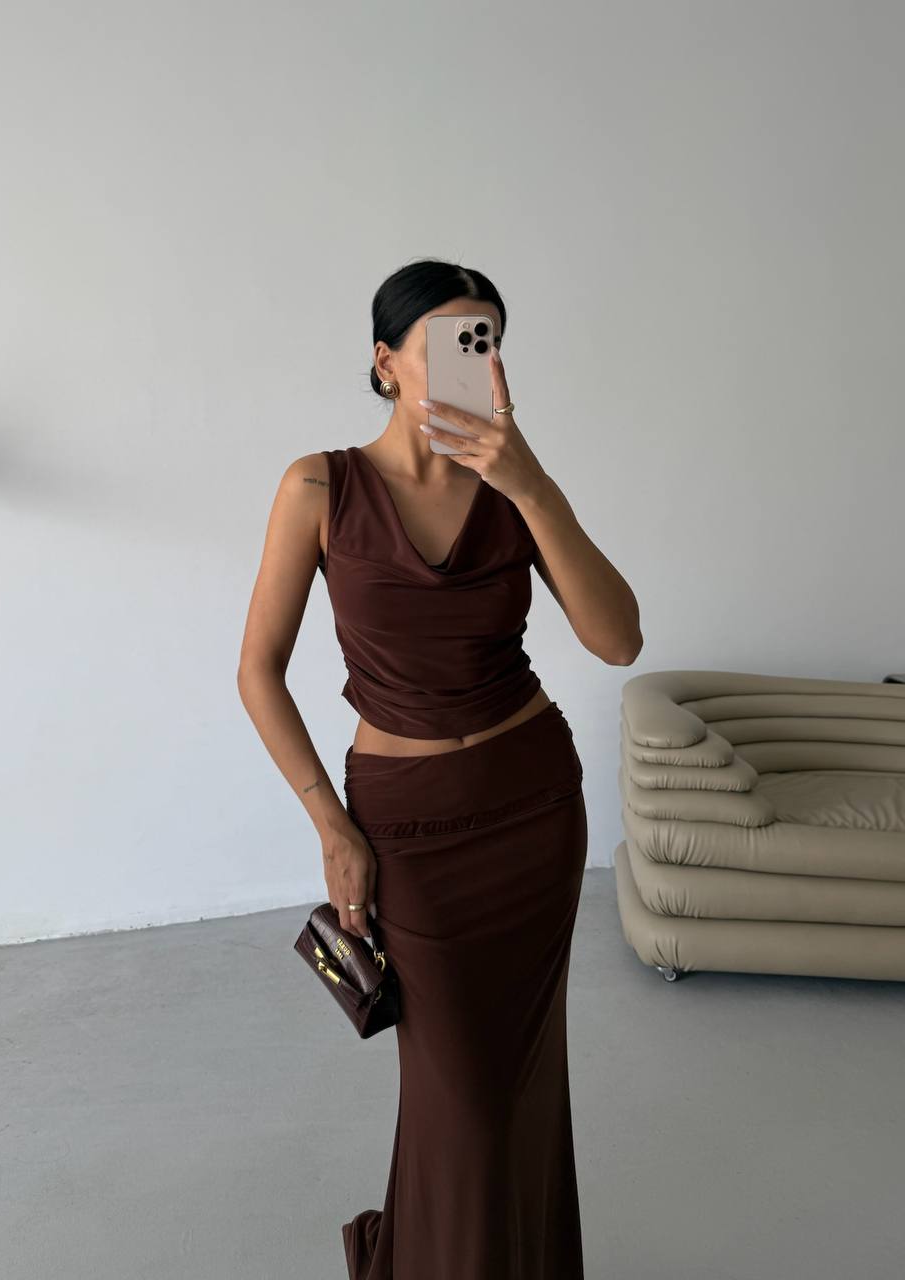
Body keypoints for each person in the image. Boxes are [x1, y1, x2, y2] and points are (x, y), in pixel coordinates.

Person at [237, 257, 643, 1279]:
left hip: (533, 811)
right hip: (407, 828)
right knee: (459, 1097)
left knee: (519, 1085)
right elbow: (258, 671)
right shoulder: (320, 484)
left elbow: (618, 639)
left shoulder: (513, 485)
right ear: (386, 361)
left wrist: (531, 482)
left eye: (488, 341)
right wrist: (331, 824)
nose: (477, 362)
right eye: (452, 343)